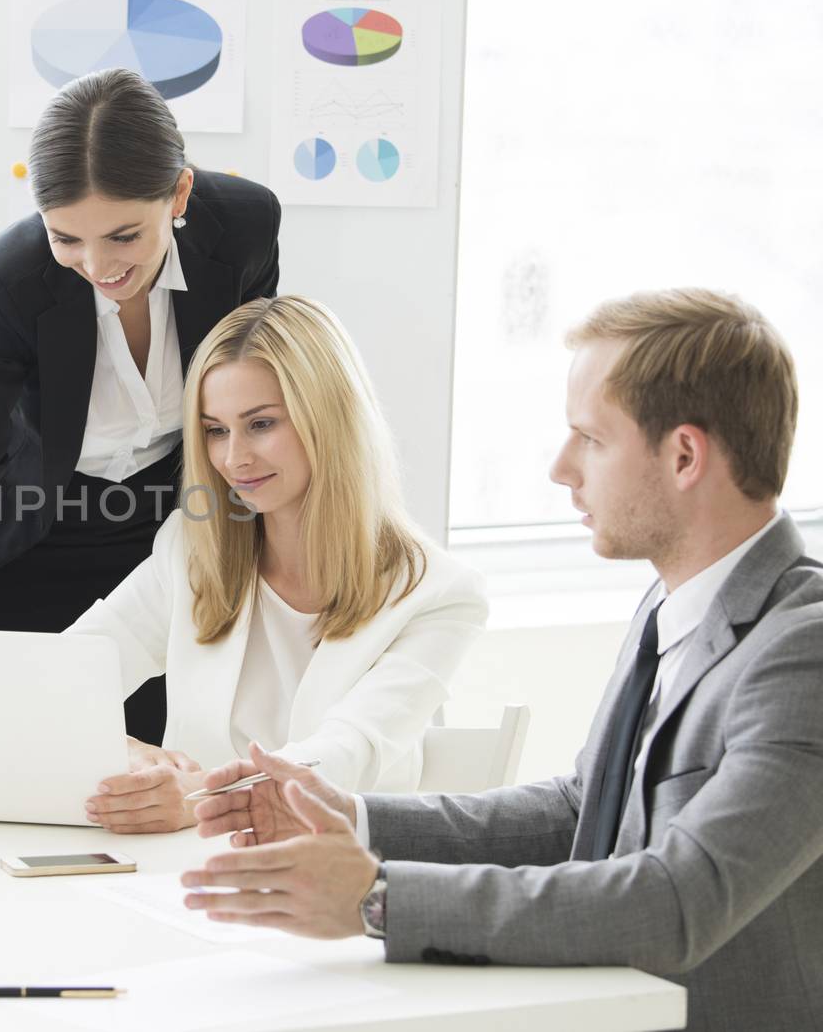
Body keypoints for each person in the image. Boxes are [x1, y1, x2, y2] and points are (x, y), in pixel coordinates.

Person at [182, 290, 822, 1031]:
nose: (560, 467)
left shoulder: (801, 650)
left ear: (684, 455)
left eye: (590, 438)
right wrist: (354, 818)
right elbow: (584, 811)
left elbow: (673, 900)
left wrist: (377, 897)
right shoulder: (670, 603)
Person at [0, 67, 282, 744]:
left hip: (169, 522)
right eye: (66, 237)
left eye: (124, 236)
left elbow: (255, 388)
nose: (98, 266)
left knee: (168, 755)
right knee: (29, 750)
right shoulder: (7, 280)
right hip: (34, 528)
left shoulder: (243, 227)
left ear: (179, 191)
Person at [67, 297, 487, 833]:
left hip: (335, 882)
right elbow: (65, 677)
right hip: (183, 870)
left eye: (260, 424)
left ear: (330, 419)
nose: (233, 458)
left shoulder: (440, 595)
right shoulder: (190, 552)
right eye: (215, 430)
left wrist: (196, 798)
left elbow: (344, 755)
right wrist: (122, 749)